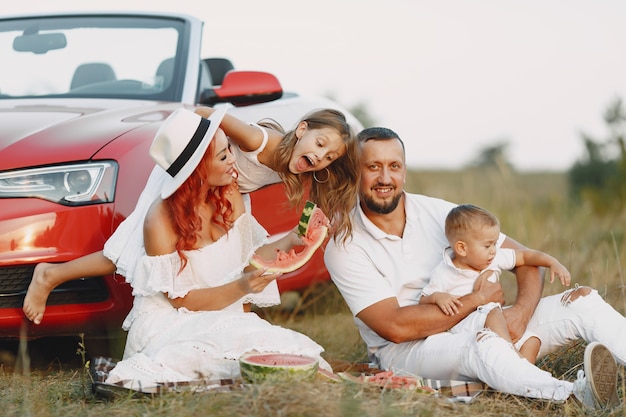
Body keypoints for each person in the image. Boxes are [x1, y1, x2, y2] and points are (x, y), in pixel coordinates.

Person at [324, 127, 622, 409]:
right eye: (373, 167)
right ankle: (576, 396)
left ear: (404, 171)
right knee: (483, 343)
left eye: (394, 166)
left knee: (581, 300)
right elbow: (396, 327)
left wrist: (521, 312)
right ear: (355, 172)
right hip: (406, 352)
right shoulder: (344, 245)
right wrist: (478, 300)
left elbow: (526, 260)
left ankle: (517, 364)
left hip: (481, 321)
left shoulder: (440, 214)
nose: (385, 177)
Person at [23, 106, 359, 325]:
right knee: (129, 251)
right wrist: (197, 148)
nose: (320, 156)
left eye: (329, 156)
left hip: (224, 192)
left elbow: (325, 197)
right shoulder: (259, 140)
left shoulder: (302, 167)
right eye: (320, 143)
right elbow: (207, 115)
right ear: (301, 129)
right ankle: (50, 275)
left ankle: (240, 326)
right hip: (189, 178)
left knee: (234, 259)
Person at [98, 107, 331, 388]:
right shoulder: (159, 220)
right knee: (232, 355)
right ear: (197, 168)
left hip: (221, 316)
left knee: (294, 351)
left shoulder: (230, 192)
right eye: (223, 155)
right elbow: (181, 301)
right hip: (168, 322)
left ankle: (337, 384)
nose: (235, 161)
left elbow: (248, 260)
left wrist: (291, 239)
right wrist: (243, 288)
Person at [420, 203, 571, 364]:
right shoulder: (445, 272)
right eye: (487, 245)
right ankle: (516, 362)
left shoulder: (492, 258)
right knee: (491, 311)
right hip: (464, 326)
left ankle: (521, 376)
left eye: (494, 243)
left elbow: (524, 257)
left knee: (532, 340)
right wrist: (438, 297)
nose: (493, 250)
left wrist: (552, 262)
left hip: (494, 322)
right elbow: (424, 299)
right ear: (462, 249)